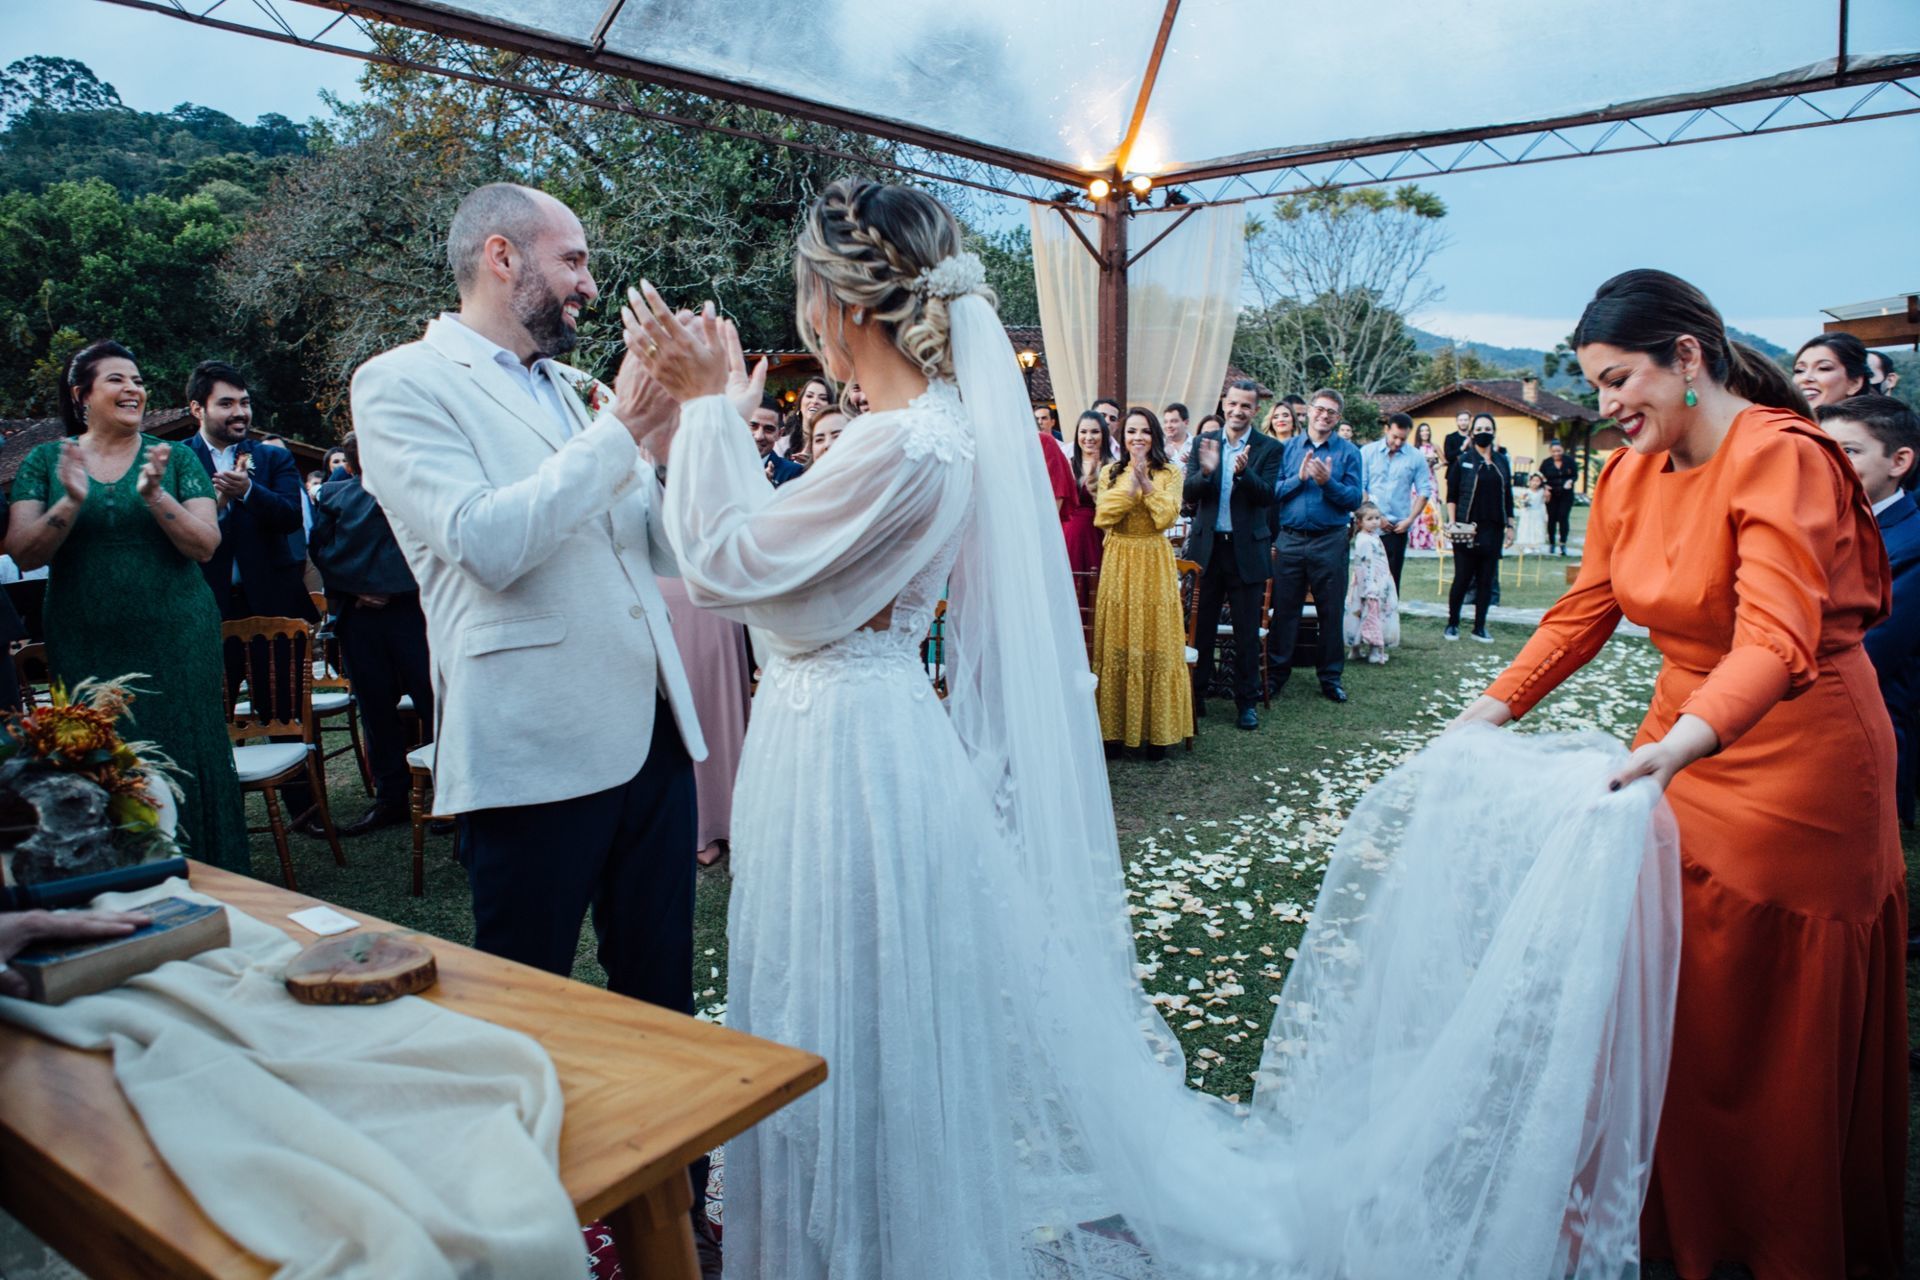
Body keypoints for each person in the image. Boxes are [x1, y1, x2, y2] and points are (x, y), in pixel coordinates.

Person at [631, 177, 1667, 1280]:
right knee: (846, 996)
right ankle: (851, 1225)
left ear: (841, 302)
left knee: (859, 1003)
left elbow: (733, 565)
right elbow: (750, 558)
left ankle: (872, 1237)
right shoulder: (905, 433)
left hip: (850, 747)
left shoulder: (911, 446)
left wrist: (703, 408)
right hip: (840, 732)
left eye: (807, 294)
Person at [1455, 268, 1907, 1280]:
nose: (1608, 406)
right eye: (1598, 385)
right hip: (1677, 748)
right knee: (1665, 995)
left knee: (1765, 1021)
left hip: (1800, 760)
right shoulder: (1627, 470)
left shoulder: (1780, 456)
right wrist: (1483, 716)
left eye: (1622, 380)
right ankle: (1668, 1230)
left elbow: (1779, 633)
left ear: (1689, 357)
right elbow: (1583, 610)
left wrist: (1686, 740)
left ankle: (1779, 1238)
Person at [350, 183, 709, 1015]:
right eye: (573, 260)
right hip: (532, 741)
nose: (589, 284)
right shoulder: (402, 383)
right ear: (501, 257)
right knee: (527, 1003)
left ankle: (677, 1152)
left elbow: (665, 551)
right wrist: (621, 430)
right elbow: (486, 542)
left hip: (652, 733)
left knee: (661, 995)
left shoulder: (576, 385)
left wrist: (671, 442)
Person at [9, 340, 246, 871]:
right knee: (100, 750)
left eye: (137, 379)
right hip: (85, 635)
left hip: (177, 633)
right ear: (81, 394)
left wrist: (155, 497)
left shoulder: (176, 458)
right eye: (117, 379)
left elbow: (205, 545)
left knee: (188, 747)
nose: (134, 389)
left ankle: (208, 868)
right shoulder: (46, 461)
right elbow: (24, 552)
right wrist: (69, 502)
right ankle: (123, 873)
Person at [180, 360, 322, 830]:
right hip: (209, 607)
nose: (240, 412)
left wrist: (248, 492)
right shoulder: (180, 459)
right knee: (207, 716)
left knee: (284, 710)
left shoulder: (274, 458)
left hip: (271, 606)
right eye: (227, 403)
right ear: (197, 408)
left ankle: (305, 811)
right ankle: (218, 816)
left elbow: (287, 518)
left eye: (244, 402)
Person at [307, 431, 435, 837]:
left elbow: (429, 545)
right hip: (360, 618)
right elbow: (321, 550)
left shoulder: (414, 491)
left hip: (412, 612)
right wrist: (357, 587)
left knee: (435, 703)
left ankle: (449, 793)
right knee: (376, 710)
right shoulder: (334, 496)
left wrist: (389, 585)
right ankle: (390, 799)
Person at [1818, 393, 1920, 827]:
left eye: (1849, 452)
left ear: (1899, 461)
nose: (1830, 465)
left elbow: (1872, 651)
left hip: (1865, 731)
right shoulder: (1829, 522)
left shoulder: (1910, 545)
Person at [1091, 408, 1193, 757]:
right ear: (1122, 436)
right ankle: (1113, 732)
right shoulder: (1109, 472)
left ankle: (1157, 733)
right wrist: (1130, 484)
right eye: (1132, 431)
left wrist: (1146, 484)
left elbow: (1166, 515)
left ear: (1155, 437)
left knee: (1155, 637)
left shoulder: (1171, 472)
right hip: (1119, 558)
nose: (1138, 437)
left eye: (1145, 431)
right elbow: (1104, 514)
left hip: (1153, 558)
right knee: (1118, 637)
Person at [1182, 380, 1282, 728]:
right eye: (1233, 404)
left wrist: (1245, 473)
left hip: (1246, 552)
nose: (1238, 411)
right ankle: (1196, 696)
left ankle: (1246, 703)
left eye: (1246, 406)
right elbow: (1189, 493)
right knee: (1202, 628)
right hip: (1208, 550)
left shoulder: (1269, 448)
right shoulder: (1202, 443)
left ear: (1256, 411)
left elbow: (1268, 496)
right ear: (1224, 404)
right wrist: (1208, 470)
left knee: (1245, 632)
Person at [1269, 387, 1364, 702]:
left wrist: (1328, 483)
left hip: (1330, 541)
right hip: (1291, 540)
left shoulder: (1349, 452)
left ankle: (1330, 678)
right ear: (1308, 411)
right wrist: (1300, 479)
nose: (1324, 416)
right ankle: (1277, 675)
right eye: (1320, 409)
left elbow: (1353, 499)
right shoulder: (1288, 449)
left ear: (1338, 419)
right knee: (1284, 611)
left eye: (1331, 412)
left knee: (1330, 610)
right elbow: (1273, 492)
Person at [1443, 411, 1514, 642]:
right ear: (1472, 433)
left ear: (1494, 432)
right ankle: (1452, 624)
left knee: (1486, 579)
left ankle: (1479, 627)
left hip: (1493, 528)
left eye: (1488, 429)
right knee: (1462, 578)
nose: (1484, 433)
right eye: (1480, 429)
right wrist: (1453, 523)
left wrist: (1510, 525)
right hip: (1466, 529)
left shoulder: (1502, 461)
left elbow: (1508, 496)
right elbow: (1452, 495)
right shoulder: (1463, 461)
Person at [1358, 411, 1432, 588]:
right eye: (1395, 437)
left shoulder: (1416, 457)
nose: (1398, 443)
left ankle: (1389, 615)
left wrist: (1410, 519)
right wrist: (1375, 517)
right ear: (1386, 429)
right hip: (1370, 527)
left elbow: (1424, 490)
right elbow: (1361, 486)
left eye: (1403, 439)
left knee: (1391, 579)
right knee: (1368, 578)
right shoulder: (1368, 452)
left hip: (1397, 527)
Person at [1343, 502, 1398, 665]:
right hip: (1371, 585)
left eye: (1377, 518)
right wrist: (1370, 587)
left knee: (1362, 615)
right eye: (1370, 519)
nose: (1375, 521)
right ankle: (1374, 651)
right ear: (1360, 522)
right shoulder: (1364, 540)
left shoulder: (1373, 537)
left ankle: (1356, 649)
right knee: (1372, 615)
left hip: (1378, 581)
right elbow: (1365, 565)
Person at [1062, 410, 1106, 580]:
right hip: (1069, 535)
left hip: (1099, 535)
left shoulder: (1113, 466)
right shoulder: (1068, 463)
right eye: (1083, 432)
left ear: (1104, 434)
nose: (1089, 437)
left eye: (1095, 431)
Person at [1792, 331, 1870, 410]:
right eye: (1799, 370)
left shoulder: (1875, 421)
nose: (1805, 378)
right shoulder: (1787, 420)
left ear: (1854, 383)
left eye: (1823, 368)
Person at [749, 395, 805, 485]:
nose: (759, 436)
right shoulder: (723, 465)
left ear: (779, 434)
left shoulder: (793, 473)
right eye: (753, 426)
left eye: (769, 429)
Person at [1536, 438, 1579, 554]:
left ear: (1562, 450)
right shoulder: (1546, 463)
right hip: (1552, 494)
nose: (1556, 454)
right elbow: (1540, 477)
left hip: (1566, 494)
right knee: (1552, 519)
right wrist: (1545, 487)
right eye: (1554, 451)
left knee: (1563, 517)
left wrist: (1570, 481)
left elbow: (1575, 475)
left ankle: (1563, 543)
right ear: (1550, 451)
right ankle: (1552, 543)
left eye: (1559, 451)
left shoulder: (1569, 461)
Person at [1515, 473, 1549, 553]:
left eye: (1537, 481)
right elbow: (1521, 502)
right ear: (1530, 481)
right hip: (1528, 513)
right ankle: (1526, 546)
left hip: (1537, 513)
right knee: (1527, 528)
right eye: (1533, 480)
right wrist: (1524, 501)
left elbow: (1545, 501)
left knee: (1537, 529)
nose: (1535, 483)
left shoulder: (1541, 491)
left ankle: (1536, 546)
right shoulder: (1526, 491)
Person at [1091, 395, 1123, 459]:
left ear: (1117, 425)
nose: (1107, 421)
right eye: (1102, 415)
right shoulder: (1069, 451)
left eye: (1113, 419)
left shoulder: (1123, 455)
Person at [1161, 401, 1192, 468]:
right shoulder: (1159, 446)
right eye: (1165, 422)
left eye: (1173, 421)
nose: (1168, 426)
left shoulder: (1196, 444)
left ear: (1186, 423)